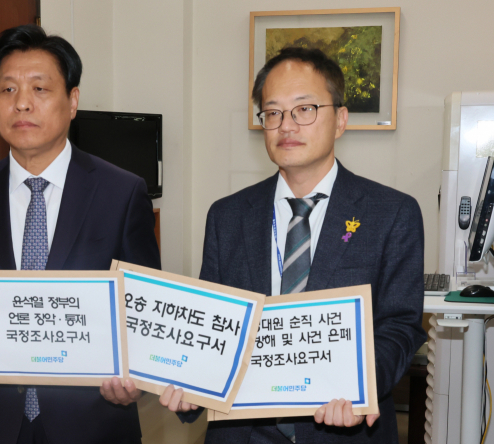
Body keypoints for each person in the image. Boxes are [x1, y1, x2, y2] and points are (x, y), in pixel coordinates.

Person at [159, 47, 426, 444]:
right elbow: (215, 326)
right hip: (243, 432)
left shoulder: (392, 213)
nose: (286, 125)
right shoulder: (227, 216)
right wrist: (190, 387)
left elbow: (399, 325)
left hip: (343, 431)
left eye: (304, 109)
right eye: (273, 112)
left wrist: (360, 388)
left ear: (340, 119)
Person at [0, 25, 160, 444]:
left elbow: (144, 308)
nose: (22, 103)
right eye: (8, 89)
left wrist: (138, 377)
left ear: (72, 101)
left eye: (39, 88)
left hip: (93, 423)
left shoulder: (122, 193)